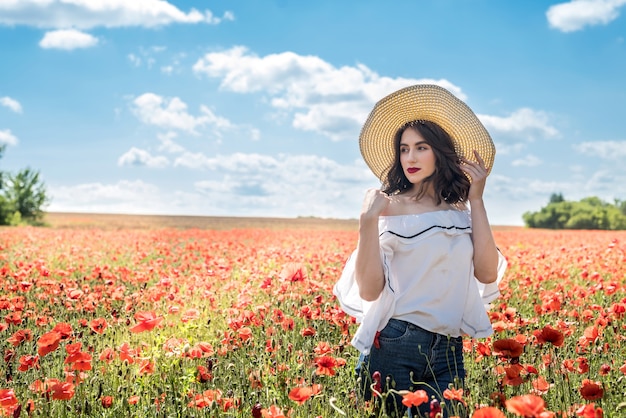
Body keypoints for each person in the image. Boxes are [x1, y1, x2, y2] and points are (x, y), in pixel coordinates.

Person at [333, 84, 507, 417]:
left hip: (449, 348)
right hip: (396, 343)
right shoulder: (389, 208)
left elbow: (486, 273)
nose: (410, 158)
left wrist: (476, 198)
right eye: (404, 149)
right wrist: (366, 221)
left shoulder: (462, 211)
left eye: (421, 147)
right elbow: (370, 291)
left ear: (440, 152)